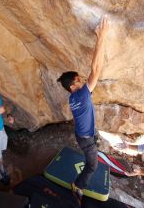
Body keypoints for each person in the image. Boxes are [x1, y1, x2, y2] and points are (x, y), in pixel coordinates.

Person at [57, 16, 109, 203]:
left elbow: (94, 71)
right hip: (85, 139)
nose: (82, 80)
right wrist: (101, 36)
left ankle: (94, 143)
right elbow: (95, 69)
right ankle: (77, 186)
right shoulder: (80, 95)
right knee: (92, 166)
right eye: (79, 80)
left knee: (92, 147)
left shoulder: (75, 97)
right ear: (73, 86)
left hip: (84, 135)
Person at [0, 96, 14, 185]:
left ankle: (2, 170)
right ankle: (0, 177)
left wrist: (9, 116)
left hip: (0, 129)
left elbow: (2, 110)